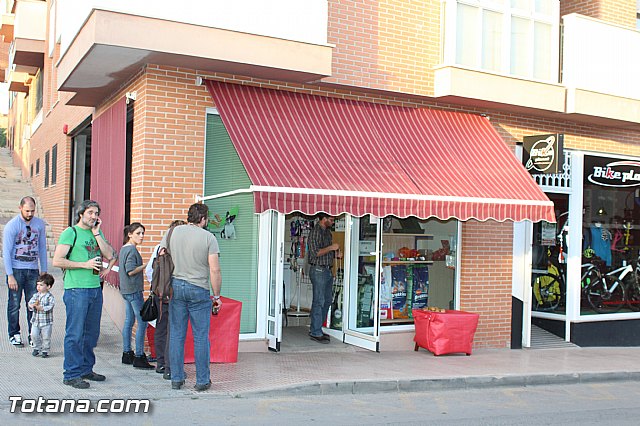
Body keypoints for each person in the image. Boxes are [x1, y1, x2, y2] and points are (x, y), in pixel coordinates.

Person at [52, 200, 117, 389]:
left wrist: (97, 233)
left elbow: (110, 254)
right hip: (76, 289)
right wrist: (84, 265)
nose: (94, 216)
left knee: (91, 333)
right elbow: (57, 260)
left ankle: (86, 369)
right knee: (75, 333)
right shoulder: (70, 232)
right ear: (81, 214)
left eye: (96, 213)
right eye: (90, 212)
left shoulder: (96, 232)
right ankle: (71, 374)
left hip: (95, 288)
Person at [163, 203, 221, 392]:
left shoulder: (172, 232)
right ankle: (202, 381)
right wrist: (217, 295)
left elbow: (162, 254)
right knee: (201, 336)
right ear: (203, 219)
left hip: (176, 286)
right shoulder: (209, 238)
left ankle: (176, 378)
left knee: (176, 334)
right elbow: (214, 269)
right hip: (199, 288)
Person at [3, 196, 48, 347]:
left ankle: (33, 334)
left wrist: (44, 270)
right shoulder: (12, 226)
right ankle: (14, 334)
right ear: (20, 208)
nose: (30, 214)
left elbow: (42, 247)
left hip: (33, 270)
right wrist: (10, 275)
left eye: (32, 211)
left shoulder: (39, 224)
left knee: (33, 303)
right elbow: (6, 251)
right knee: (14, 304)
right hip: (16, 270)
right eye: (27, 210)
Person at [145, 219, 186, 379]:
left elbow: (149, 271)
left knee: (161, 329)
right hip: (175, 294)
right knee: (173, 331)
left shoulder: (159, 248)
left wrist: (157, 287)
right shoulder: (181, 250)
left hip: (160, 295)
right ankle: (170, 367)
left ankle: (161, 363)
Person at [118, 222, 154, 370]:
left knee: (129, 320)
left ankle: (127, 353)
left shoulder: (124, 248)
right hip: (133, 290)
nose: (142, 236)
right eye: (138, 233)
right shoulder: (132, 250)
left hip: (126, 290)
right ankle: (139, 355)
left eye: (143, 233)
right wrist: (146, 265)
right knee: (142, 321)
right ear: (130, 234)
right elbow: (130, 270)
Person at [307, 213, 341, 344]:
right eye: (331, 219)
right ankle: (315, 332)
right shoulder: (315, 232)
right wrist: (331, 248)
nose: (333, 222)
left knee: (327, 301)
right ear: (324, 219)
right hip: (318, 270)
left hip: (326, 270)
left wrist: (335, 254)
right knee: (319, 301)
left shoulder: (327, 232)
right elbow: (315, 253)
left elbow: (326, 252)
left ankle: (316, 329)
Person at [27, 273, 55, 358]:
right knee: (34, 335)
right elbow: (30, 303)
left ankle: (45, 350)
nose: (38, 287)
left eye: (41, 285)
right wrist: (31, 305)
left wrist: (42, 308)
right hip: (35, 320)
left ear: (48, 286)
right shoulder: (36, 295)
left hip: (46, 321)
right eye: (37, 285)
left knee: (46, 337)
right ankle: (37, 348)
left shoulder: (50, 297)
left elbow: (50, 306)